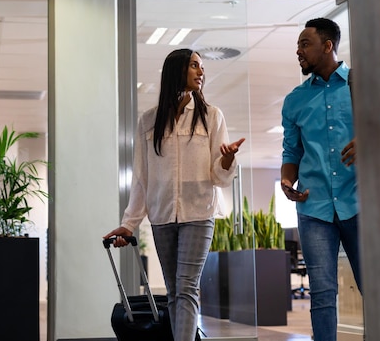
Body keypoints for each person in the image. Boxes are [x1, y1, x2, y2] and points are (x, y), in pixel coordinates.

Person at [104, 48, 245, 341]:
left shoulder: (211, 116)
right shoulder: (149, 121)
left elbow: (218, 176)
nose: (201, 71)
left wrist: (228, 160)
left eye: (201, 67)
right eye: (195, 66)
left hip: (199, 212)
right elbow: (143, 178)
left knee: (187, 287)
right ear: (177, 71)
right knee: (174, 290)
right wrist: (129, 223)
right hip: (162, 215)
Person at [280, 18, 361, 341]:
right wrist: (287, 183)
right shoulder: (295, 101)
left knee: (377, 287)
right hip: (314, 209)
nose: (298, 51)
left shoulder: (361, 85)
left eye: (304, 44)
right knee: (323, 294)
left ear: (328, 46)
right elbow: (291, 153)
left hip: (360, 202)